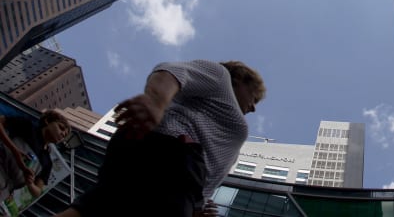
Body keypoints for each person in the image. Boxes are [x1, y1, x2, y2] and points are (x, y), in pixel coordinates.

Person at [55, 59, 265, 217]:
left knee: (96, 208)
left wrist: (196, 208)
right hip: (172, 153)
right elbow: (173, 72)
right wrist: (155, 101)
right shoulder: (221, 78)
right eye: (254, 96)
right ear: (238, 80)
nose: (254, 107)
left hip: (181, 177)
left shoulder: (227, 137)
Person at [0, 109, 70, 201]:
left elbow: (38, 191)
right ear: (47, 121)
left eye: (65, 135)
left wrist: (30, 183)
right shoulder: (27, 126)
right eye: (61, 127)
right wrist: (15, 150)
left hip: (4, 191)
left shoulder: (47, 162)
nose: (63, 134)